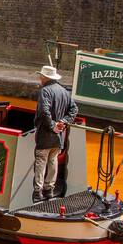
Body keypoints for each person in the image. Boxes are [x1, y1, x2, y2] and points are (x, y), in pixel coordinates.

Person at [34, 64, 77, 202]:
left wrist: (53, 125)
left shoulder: (44, 91)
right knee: (53, 160)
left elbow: (43, 111)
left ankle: (37, 191)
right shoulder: (64, 91)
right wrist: (63, 122)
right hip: (59, 136)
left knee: (41, 160)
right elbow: (74, 109)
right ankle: (49, 190)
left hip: (46, 134)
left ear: (44, 77)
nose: (40, 78)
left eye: (41, 76)